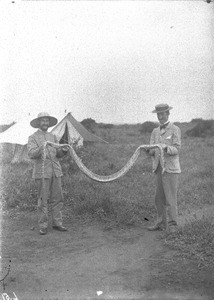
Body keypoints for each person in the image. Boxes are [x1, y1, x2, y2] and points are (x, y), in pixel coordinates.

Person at [28, 112, 69, 235]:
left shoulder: (53, 137)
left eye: (47, 121)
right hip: (42, 173)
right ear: (39, 123)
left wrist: (63, 150)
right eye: (43, 121)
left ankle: (58, 223)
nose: (45, 123)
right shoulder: (33, 137)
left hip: (56, 172)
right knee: (43, 199)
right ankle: (43, 225)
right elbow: (31, 154)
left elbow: (58, 154)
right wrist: (42, 147)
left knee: (58, 198)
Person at [147, 104, 181, 232]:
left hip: (171, 170)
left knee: (171, 198)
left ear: (168, 114)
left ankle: (173, 226)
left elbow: (177, 149)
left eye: (162, 114)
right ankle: (161, 223)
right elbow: (151, 150)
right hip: (158, 169)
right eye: (158, 114)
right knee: (159, 198)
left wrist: (166, 147)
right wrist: (148, 150)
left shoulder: (175, 129)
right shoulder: (155, 131)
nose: (160, 117)